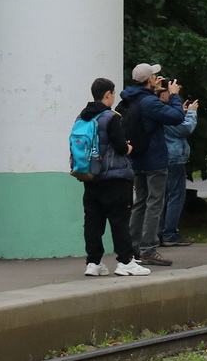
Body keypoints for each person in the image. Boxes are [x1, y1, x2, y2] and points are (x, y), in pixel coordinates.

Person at [76, 78, 150, 276]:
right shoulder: (110, 117)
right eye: (113, 94)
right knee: (119, 220)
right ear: (108, 94)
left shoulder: (81, 118)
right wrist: (129, 147)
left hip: (90, 177)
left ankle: (93, 263)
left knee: (93, 221)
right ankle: (125, 261)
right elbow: (120, 147)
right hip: (114, 179)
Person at [121, 63, 185, 267]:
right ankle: (148, 249)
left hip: (137, 158)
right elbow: (176, 117)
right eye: (155, 76)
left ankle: (133, 247)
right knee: (155, 203)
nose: (159, 79)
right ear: (149, 80)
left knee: (140, 202)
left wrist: (154, 92)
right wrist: (174, 95)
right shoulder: (149, 102)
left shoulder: (130, 98)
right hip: (154, 159)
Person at [159, 95, 199, 247]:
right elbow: (184, 128)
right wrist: (191, 113)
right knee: (175, 196)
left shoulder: (156, 109)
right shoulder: (162, 111)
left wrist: (179, 114)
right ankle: (170, 233)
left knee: (162, 196)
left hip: (163, 157)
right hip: (173, 157)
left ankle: (160, 231)